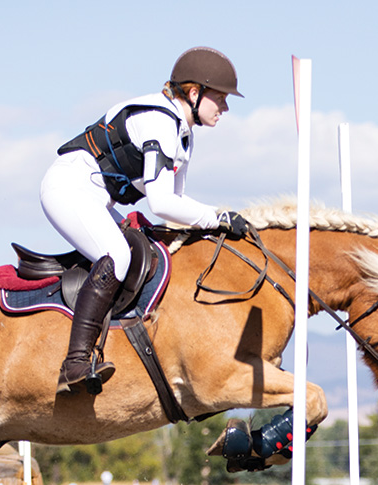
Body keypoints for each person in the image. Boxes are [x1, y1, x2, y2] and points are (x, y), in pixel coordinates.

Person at [41, 46, 252, 394]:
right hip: (68, 187)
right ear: (195, 93)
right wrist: (218, 216)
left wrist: (214, 222)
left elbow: (178, 203)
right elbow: (162, 203)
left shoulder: (184, 135)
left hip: (94, 195)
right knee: (118, 256)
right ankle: (75, 362)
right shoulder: (159, 122)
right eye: (221, 97)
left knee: (148, 251)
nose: (226, 107)